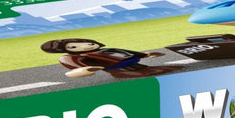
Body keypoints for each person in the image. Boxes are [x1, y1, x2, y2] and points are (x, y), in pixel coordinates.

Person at [39, 38, 172, 79]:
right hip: (117, 68)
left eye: (89, 43)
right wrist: (83, 70)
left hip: (132, 62)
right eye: (73, 47)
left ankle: (145, 69)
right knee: (150, 72)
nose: (86, 46)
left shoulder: (105, 50)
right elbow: (73, 66)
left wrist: (145, 54)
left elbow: (124, 52)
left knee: (165, 69)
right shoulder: (72, 57)